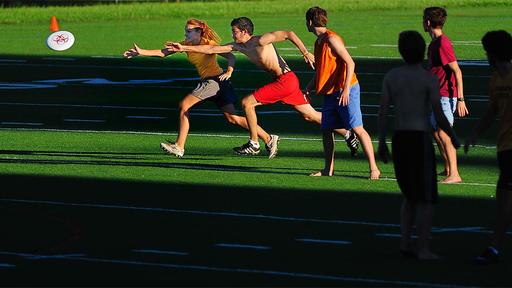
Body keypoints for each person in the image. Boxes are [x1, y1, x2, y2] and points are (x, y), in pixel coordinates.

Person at [166, 17, 359, 159]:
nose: (232, 35)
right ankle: (348, 132)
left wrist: (305, 52)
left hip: (285, 80)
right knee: (311, 116)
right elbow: (211, 49)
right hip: (285, 82)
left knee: (247, 103)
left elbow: (288, 34)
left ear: (244, 31)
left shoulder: (260, 40)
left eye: (234, 31)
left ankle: (255, 142)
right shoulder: (239, 46)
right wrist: (183, 48)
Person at [122, 18, 277, 158]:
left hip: (214, 81)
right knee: (233, 118)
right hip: (219, 84)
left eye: (189, 31)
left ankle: (179, 147)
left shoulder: (208, 44)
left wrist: (230, 70)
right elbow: (163, 53)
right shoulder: (186, 44)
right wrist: (140, 52)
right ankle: (269, 139)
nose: (186, 33)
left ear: (198, 32)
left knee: (184, 106)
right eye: (186, 30)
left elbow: (231, 55)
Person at [378, 30, 460, 259]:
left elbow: (383, 112)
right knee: (426, 198)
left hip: (400, 138)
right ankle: (422, 247)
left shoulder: (392, 77)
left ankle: (405, 243)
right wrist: (452, 135)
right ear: (422, 51)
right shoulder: (428, 78)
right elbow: (439, 114)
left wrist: (382, 141)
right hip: (419, 139)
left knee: (409, 195)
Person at [304, 7, 380, 180]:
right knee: (326, 129)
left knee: (357, 128)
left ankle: (374, 169)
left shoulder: (332, 39)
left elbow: (350, 63)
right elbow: (322, 70)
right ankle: (328, 169)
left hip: (346, 90)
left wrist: (346, 89)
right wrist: (309, 87)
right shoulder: (319, 42)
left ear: (309, 22)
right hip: (330, 93)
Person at [465, 30, 512, 264]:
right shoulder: (495, 79)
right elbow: (492, 111)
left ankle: (495, 246)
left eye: (487, 51)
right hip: (505, 147)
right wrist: (476, 132)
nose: (486, 55)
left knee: (504, 199)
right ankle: (495, 247)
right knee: (502, 202)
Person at [423, 7, 469, 183]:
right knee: (435, 133)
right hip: (435, 96)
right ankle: (448, 168)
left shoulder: (443, 44)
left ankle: (455, 174)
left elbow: (457, 71)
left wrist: (460, 99)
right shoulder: (434, 44)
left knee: (444, 134)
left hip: (445, 97)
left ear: (428, 22)